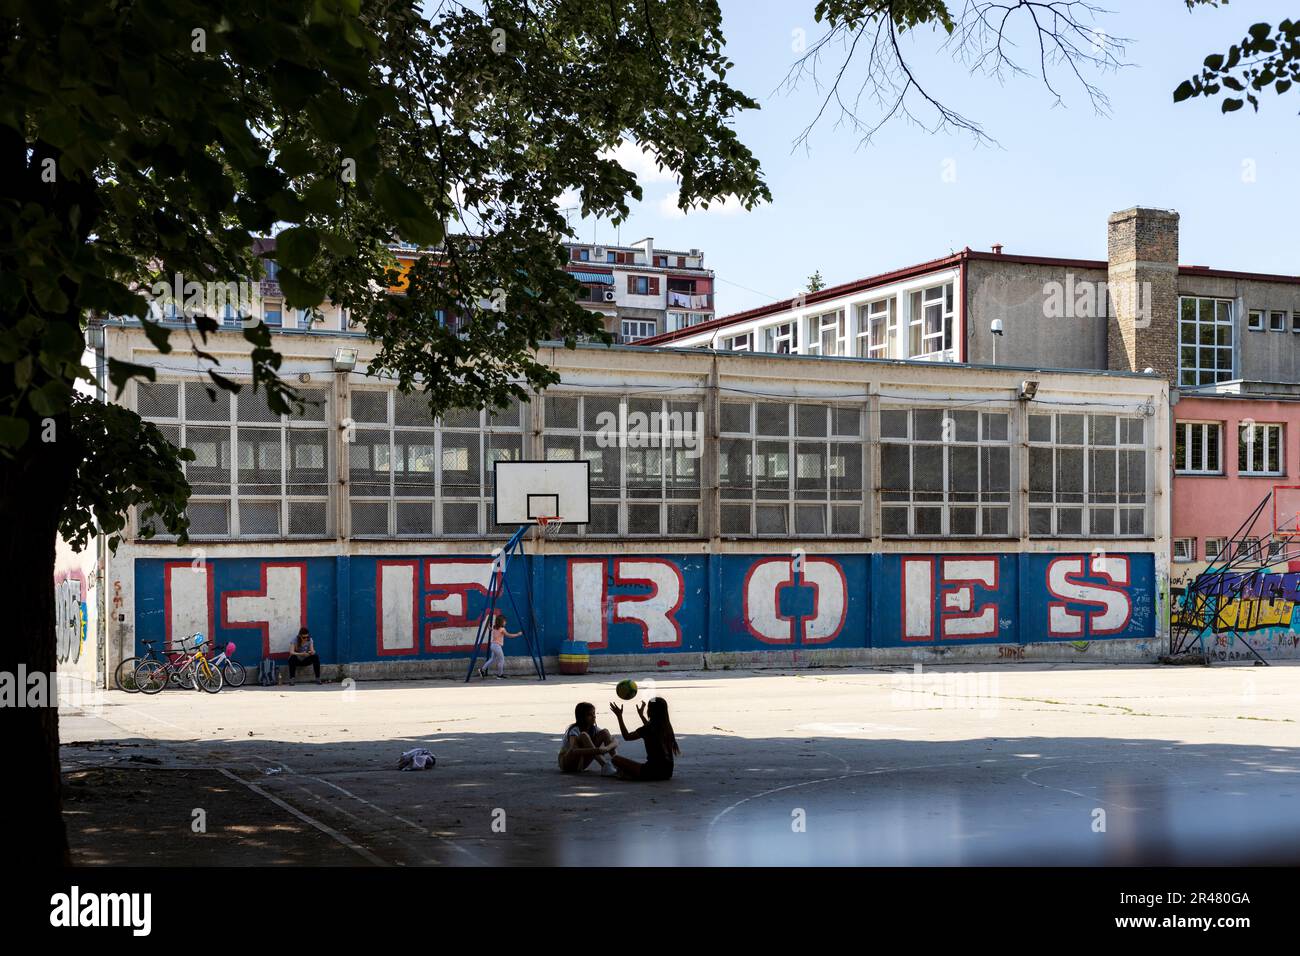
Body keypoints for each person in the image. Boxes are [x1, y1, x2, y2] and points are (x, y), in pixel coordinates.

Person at [608, 696, 679, 781]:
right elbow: (652, 731)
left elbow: (627, 736)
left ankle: (628, 775)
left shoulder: (648, 729)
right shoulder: (667, 727)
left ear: (650, 711)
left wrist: (619, 716)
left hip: (650, 772)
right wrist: (641, 715)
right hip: (667, 773)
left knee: (615, 759)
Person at [557, 702, 618, 776]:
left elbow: (615, 741)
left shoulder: (594, 729)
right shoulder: (575, 730)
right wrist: (598, 750)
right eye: (589, 715)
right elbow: (574, 750)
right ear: (581, 717)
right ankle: (605, 765)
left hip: (581, 763)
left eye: (594, 714)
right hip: (567, 763)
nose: (594, 716)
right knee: (584, 735)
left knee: (605, 732)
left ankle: (618, 764)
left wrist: (606, 748)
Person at [478, 613, 520, 679]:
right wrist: (517, 634)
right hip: (497, 646)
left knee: (492, 659)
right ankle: (500, 675)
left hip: (493, 645)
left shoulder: (495, 627)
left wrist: (488, 624)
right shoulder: (502, 629)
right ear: (501, 622)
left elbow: (490, 628)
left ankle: (482, 670)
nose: (505, 622)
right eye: (504, 621)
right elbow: (509, 635)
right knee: (501, 660)